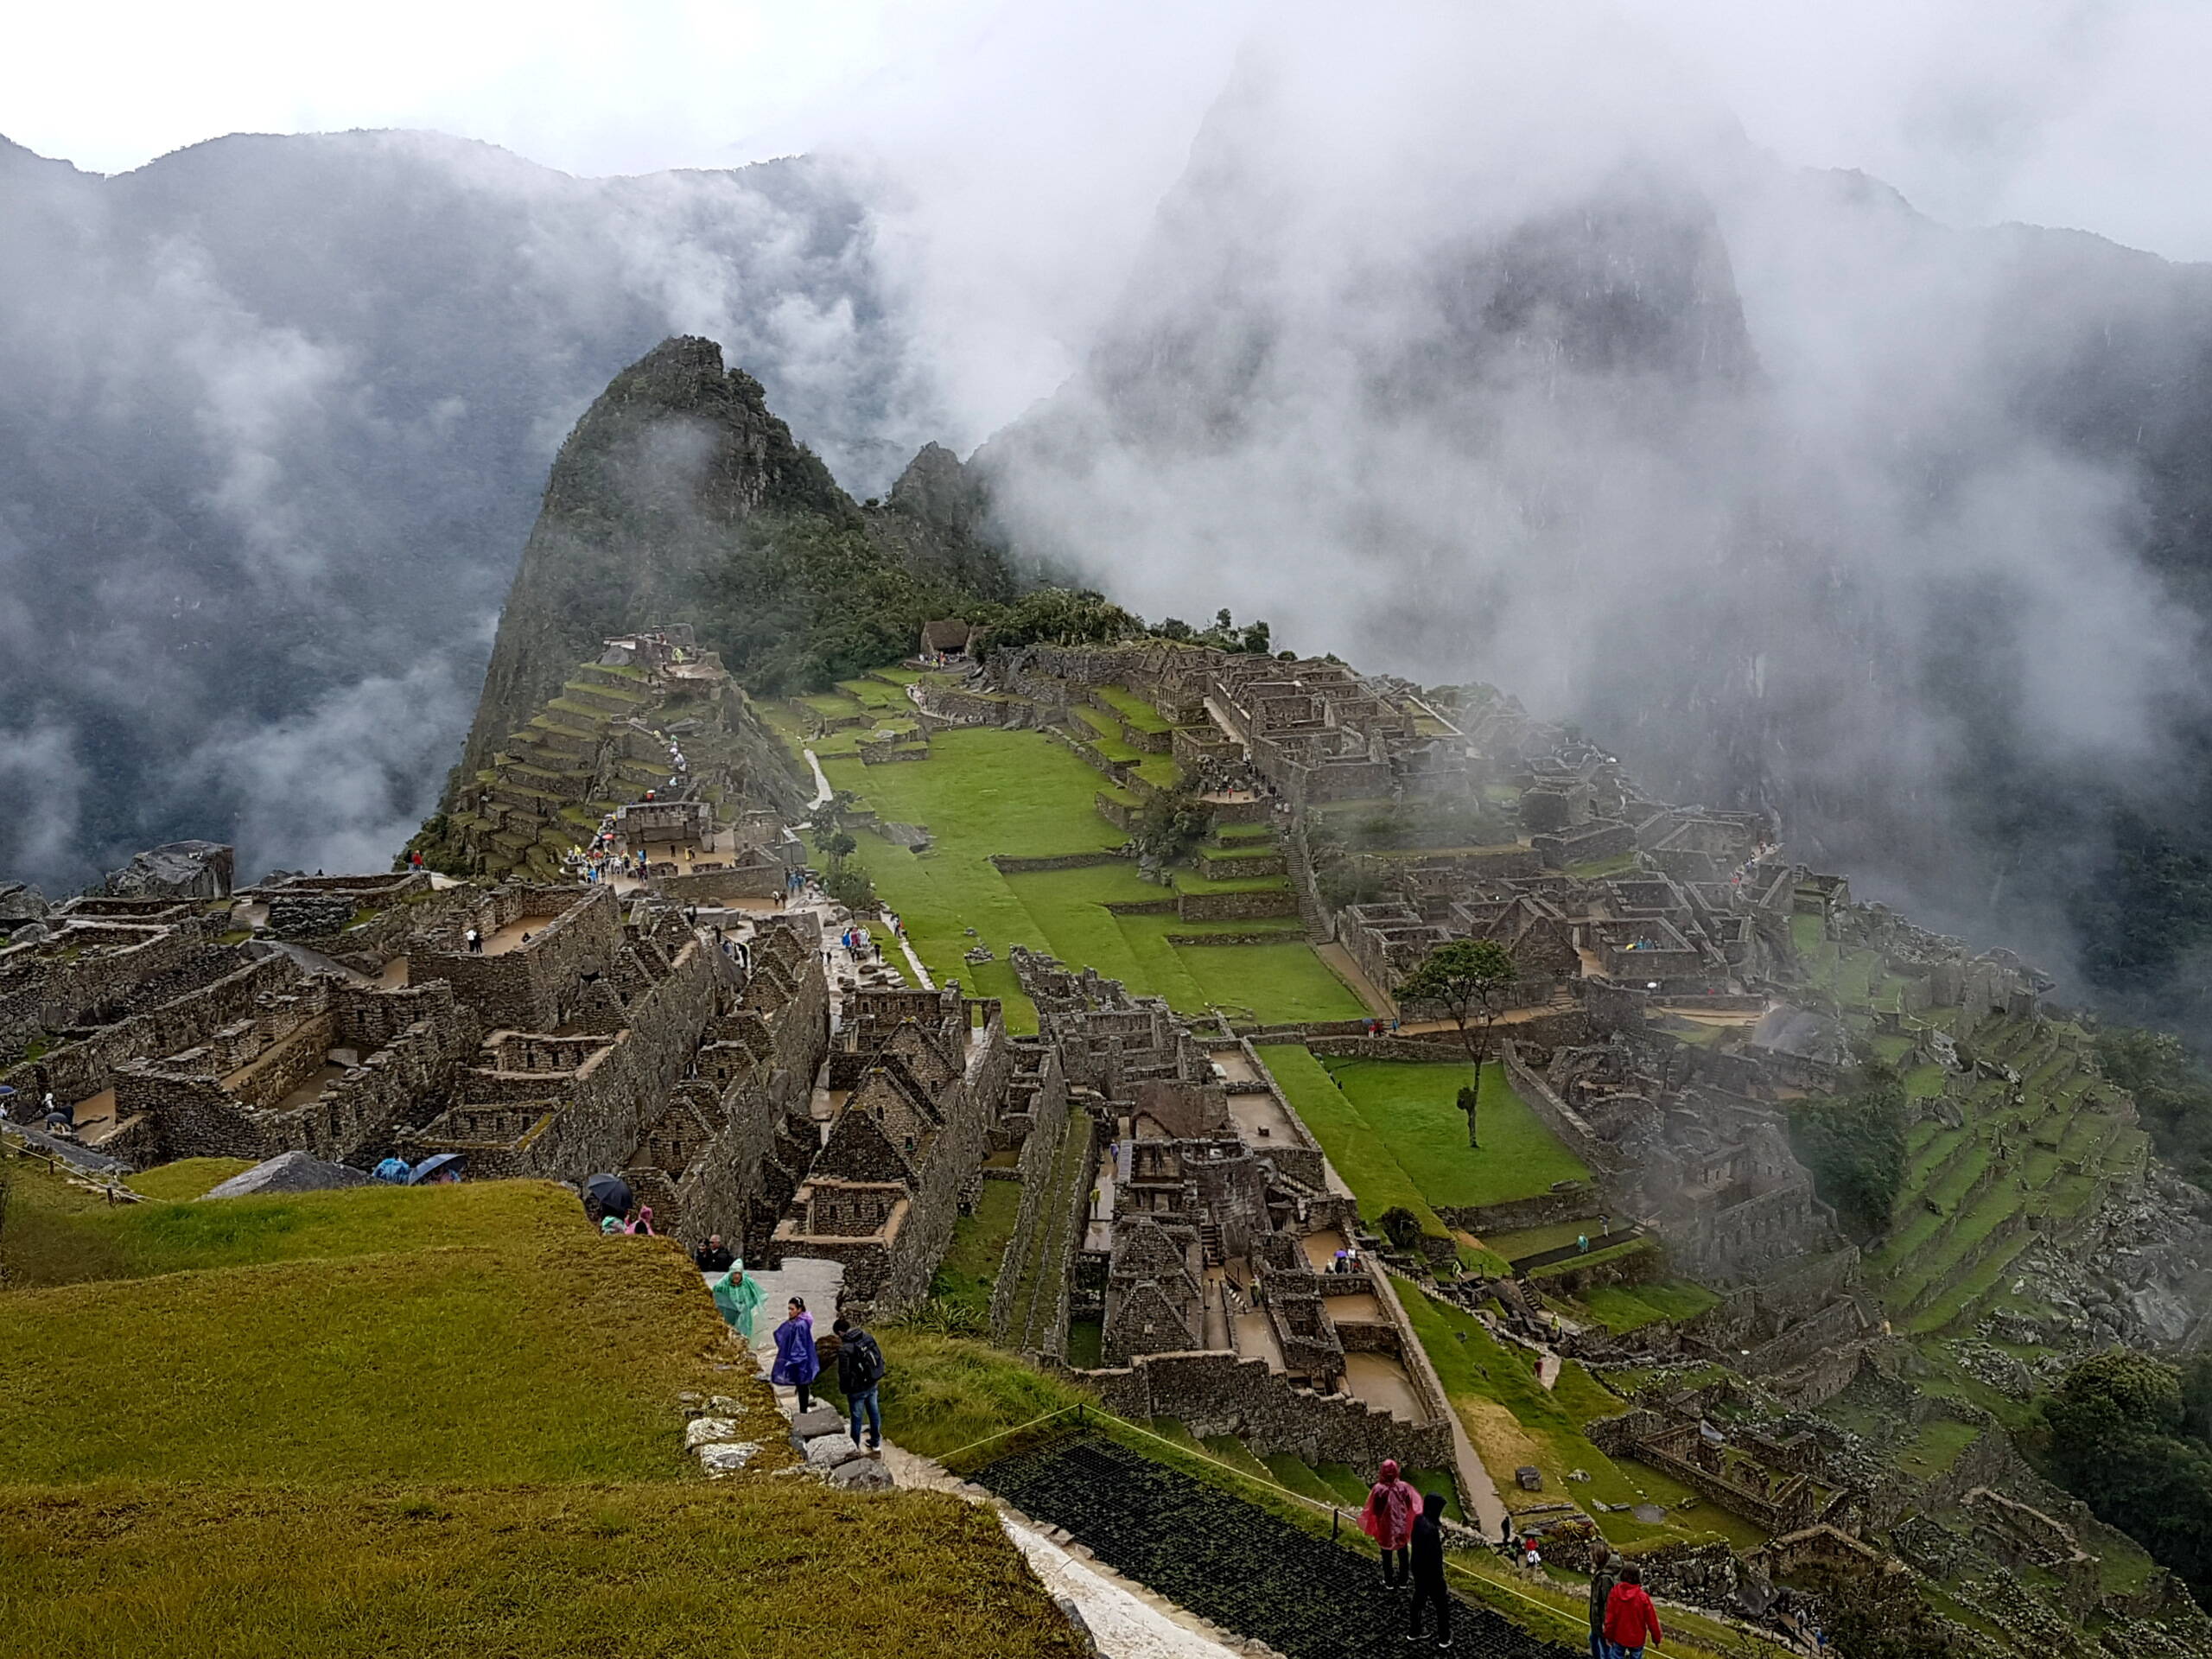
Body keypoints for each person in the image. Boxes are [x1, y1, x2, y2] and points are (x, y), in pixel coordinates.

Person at [1361, 1459, 1421, 1588]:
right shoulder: (1404, 1487)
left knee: (1386, 1555)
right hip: (1401, 1526)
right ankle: (1403, 1581)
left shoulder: (1378, 1489)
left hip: (1385, 1527)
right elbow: (1411, 1505)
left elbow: (1373, 1509)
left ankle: (1389, 1582)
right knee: (1403, 1554)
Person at [833, 1316, 886, 1451]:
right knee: (874, 1412)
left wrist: (845, 1389)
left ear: (840, 1333)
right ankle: (876, 1442)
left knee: (856, 1418)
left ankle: (854, 1448)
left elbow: (843, 1373)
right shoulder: (867, 1337)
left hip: (857, 1389)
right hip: (872, 1383)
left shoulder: (844, 1349)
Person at [1407, 1489, 1451, 1649]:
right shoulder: (1431, 1531)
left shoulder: (1419, 1520)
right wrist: (1439, 1576)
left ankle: (1414, 1630)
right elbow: (1435, 1556)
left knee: (1418, 1599)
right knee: (1442, 1606)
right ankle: (1444, 1638)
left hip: (1418, 1568)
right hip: (1431, 1574)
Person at [1603, 1563, 1662, 1658]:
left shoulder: (1615, 1593)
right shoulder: (1643, 1597)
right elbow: (1652, 1621)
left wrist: (1608, 1635)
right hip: (1637, 1639)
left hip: (1619, 1636)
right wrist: (1656, 1639)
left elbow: (1610, 1618)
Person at [772, 1297, 820, 1411]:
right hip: (802, 1360)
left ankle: (803, 1411)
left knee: (802, 1386)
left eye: (792, 1309)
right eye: (789, 1309)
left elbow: (798, 1345)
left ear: (799, 1309)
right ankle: (804, 1409)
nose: (789, 1311)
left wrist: (794, 1359)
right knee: (802, 1386)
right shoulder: (802, 1322)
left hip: (800, 1361)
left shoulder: (799, 1325)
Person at [711, 1262, 763, 1339]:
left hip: (744, 1314)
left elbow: (756, 1296)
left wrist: (747, 1306)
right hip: (729, 1312)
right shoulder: (722, 1284)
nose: (737, 1276)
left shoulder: (747, 1283)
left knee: (744, 1334)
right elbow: (716, 1296)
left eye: (739, 1274)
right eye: (735, 1273)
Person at [1586, 1541, 1620, 1659]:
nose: (1589, 1556)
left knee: (1605, 1650)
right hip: (1597, 1618)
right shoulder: (1600, 1572)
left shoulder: (1605, 1578)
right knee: (1593, 1639)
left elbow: (1608, 1603)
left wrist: (1606, 1625)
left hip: (1602, 1621)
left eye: (1591, 1553)